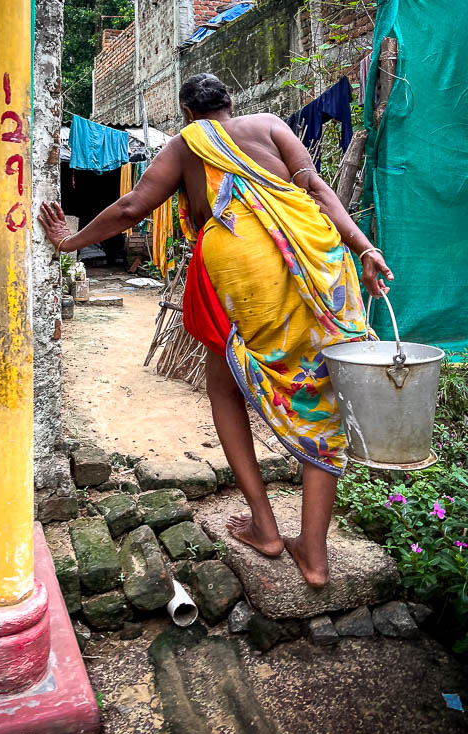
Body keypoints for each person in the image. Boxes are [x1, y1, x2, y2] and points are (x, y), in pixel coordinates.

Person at [39, 73, 393, 587]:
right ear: (233, 103)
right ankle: (313, 556)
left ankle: (266, 527)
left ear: (187, 113)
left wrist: (69, 241)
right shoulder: (272, 126)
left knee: (224, 388)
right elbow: (316, 191)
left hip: (245, 276)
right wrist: (365, 247)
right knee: (324, 396)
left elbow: (132, 207)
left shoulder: (186, 145)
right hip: (320, 265)